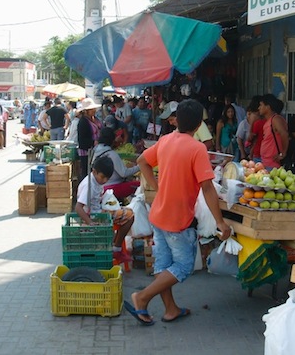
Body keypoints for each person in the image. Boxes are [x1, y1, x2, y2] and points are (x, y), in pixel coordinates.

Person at [129, 99, 231, 326]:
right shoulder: (197, 148)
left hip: (158, 214)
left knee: (163, 266)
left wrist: (158, 187)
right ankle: (142, 297)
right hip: (177, 220)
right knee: (183, 267)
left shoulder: (166, 140)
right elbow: (207, 188)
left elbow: (142, 161)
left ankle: (171, 309)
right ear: (199, 125)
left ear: (176, 120)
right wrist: (220, 222)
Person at [74, 155, 133, 263]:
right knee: (129, 216)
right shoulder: (89, 185)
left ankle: (115, 247)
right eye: (102, 177)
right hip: (94, 216)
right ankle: (116, 249)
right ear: (94, 172)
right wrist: (90, 223)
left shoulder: (96, 181)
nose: (105, 180)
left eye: (107, 178)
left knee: (128, 211)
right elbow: (78, 208)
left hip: (99, 211)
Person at [91, 127, 141, 200]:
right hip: (110, 188)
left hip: (99, 188)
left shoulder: (96, 150)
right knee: (139, 185)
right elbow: (124, 173)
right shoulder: (111, 154)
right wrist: (140, 167)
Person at [258, 94, 288, 170]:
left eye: (261, 105)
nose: (259, 108)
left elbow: (284, 134)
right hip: (266, 162)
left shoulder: (275, 119)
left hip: (273, 164)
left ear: (268, 107)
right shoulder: (270, 120)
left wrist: (283, 153)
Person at [76, 98, 102, 182]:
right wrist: (93, 142)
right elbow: (82, 140)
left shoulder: (95, 119)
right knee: (87, 174)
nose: (94, 110)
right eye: (91, 109)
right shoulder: (83, 122)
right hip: (87, 153)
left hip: (96, 150)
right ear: (86, 111)